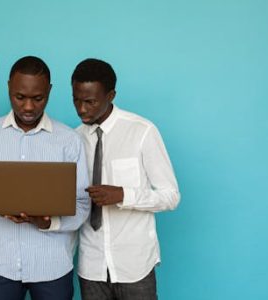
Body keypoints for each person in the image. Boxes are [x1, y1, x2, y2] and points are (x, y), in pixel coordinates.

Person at [0, 56, 90, 300]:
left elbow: (82, 206)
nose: (28, 107)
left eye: (38, 98)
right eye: (20, 97)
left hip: (52, 267)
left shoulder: (69, 140)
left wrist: (47, 222)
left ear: (49, 91)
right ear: (8, 87)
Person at [71, 58, 181, 300]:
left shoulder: (142, 132)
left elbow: (171, 196)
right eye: (76, 100)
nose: (81, 109)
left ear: (111, 95)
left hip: (135, 265)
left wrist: (124, 195)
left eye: (90, 101)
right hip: (92, 265)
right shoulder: (73, 139)